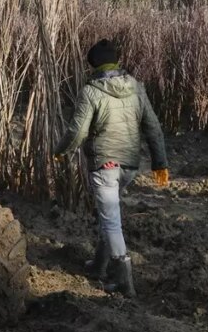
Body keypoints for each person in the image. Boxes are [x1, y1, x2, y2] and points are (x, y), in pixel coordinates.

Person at [53, 39, 169, 299]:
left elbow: (78, 130)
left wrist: (61, 151)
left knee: (111, 221)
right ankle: (99, 265)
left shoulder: (91, 91)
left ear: (92, 64)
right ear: (117, 61)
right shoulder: (137, 88)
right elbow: (153, 127)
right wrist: (160, 163)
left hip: (105, 164)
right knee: (110, 215)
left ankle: (123, 281)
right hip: (129, 165)